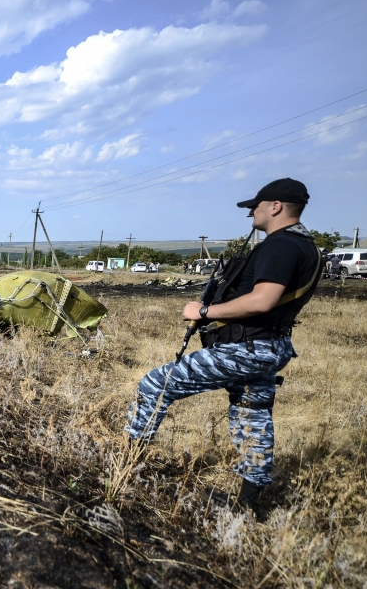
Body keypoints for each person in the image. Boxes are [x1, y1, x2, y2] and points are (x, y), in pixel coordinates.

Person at [124, 178, 321, 513]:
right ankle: (249, 504)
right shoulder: (306, 246)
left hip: (245, 349)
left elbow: (262, 300)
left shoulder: (281, 246)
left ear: (275, 207)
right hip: (268, 347)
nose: (251, 214)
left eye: (255, 207)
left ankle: (126, 469)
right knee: (252, 415)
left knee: (155, 384)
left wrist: (203, 311)